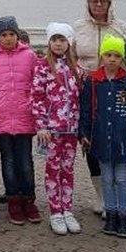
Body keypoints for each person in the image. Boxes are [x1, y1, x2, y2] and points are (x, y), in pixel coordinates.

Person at [72, 0, 126, 216]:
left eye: (103, 1)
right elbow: (72, 56)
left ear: (110, 3)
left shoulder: (121, 28)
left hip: (114, 89)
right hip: (87, 90)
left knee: (114, 139)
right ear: (87, 3)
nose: (98, 5)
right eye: (93, 1)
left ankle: (117, 194)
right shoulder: (78, 27)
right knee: (91, 141)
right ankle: (101, 196)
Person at [79, 34, 126, 238]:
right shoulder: (93, 82)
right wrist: (84, 134)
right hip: (100, 138)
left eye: (117, 55)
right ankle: (111, 214)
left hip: (122, 139)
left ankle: (124, 217)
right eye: (108, 54)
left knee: (122, 178)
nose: (112, 59)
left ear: (122, 58)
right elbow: (86, 110)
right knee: (106, 178)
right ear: (102, 56)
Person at [0, 16, 40, 226]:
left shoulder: (30, 56)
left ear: (17, 35)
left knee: (25, 161)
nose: (8, 38)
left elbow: (37, 86)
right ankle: (13, 200)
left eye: (11, 34)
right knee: (9, 161)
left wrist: (37, 113)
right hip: (0, 118)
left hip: (24, 116)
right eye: (3, 35)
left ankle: (28, 200)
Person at [31, 23, 85, 235]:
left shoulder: (76, 69)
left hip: (71, 129)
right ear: (49, 42)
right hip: (52, 130)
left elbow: (81, 98)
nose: (58, 44)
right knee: (53, 170)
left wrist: (82, 128)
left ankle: (67, 209)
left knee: (68, 170)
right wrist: (41, 125)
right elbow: (37, 97)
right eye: (55, 40)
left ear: (68, 43)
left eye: (62, 40)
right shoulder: (43, 66)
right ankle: (55, 211)